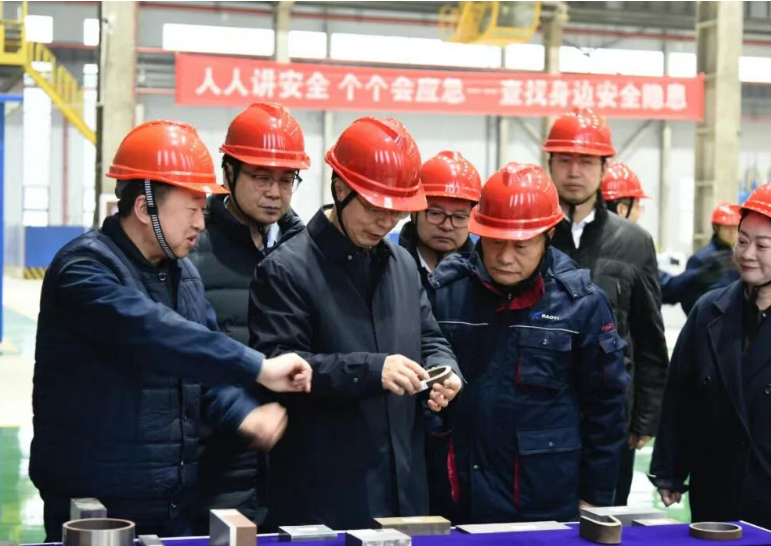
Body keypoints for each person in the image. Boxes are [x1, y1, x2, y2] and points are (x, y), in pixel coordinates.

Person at [30, 120, 312, 541]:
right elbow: (155, 333)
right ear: (145, 209)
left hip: (173, 501)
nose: (202, 222)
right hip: (96, 507)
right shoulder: (84, 270)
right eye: (193, 209)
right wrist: (258, 366)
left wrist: (243, 413)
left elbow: (201, 371)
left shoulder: (183, 274)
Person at [246, 116, 463, 530]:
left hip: (405, 489)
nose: (386, 221)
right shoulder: (285, 270)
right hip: (326, 498)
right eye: (375, 207)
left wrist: (446, 369)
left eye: (396, 211)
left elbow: (430, 336)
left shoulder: (401, 264)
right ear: (341, 188)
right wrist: (372, 370)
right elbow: (278, 368)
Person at [428, 162, 628, 523]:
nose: (505, 258)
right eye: (495, 242)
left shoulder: (580, 304)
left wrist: (596, 496)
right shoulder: (446, 293)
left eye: (521, 245)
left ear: (548, 234)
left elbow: (607, 407)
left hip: (544, 500)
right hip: (455, 497)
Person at [650, 176, 771, 543]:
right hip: (715, 493)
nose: (747, 253)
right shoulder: (709, 311)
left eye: (762, 245)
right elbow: (680, 396)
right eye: (742, 240)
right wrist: (669, 469)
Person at [188, 103, 310, 530]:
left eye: (286, 179)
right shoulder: (192, 250)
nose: (274, 192)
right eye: (261, 177)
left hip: (292, 466)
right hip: (213, 465)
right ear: (229, 172)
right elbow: (185, 357)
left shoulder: (305, 250)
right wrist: (240, 414)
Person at [544, 108, 669, 506]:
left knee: (604, 519)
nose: (574, 172)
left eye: (586, 162)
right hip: (538, 414)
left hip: (611, 415)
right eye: (565, 160)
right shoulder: (529, 235)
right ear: (550, 163)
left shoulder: (634, 242)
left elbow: (648, 336)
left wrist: (644, 416)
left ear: (603, 168)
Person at [398, 151, 481, 292]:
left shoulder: (484, 279)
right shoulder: (390, 268)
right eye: (435, 213)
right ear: (414, 213)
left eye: (459, 217)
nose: (446, 226)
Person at [661, 202, 741, 315]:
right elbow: (684, 296)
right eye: (727, 226)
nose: (732, 231)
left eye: (735, 227)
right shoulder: (702, 258)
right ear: (716, 228)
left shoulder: (743, 256)